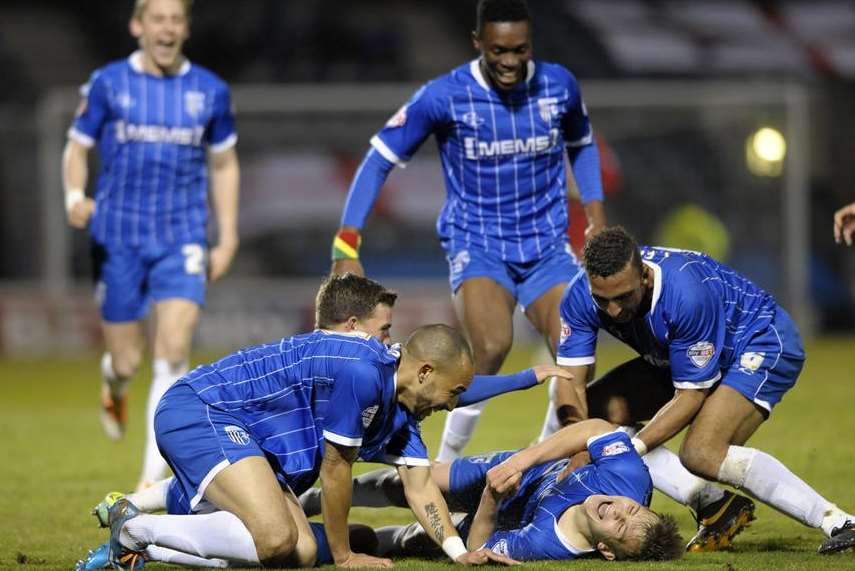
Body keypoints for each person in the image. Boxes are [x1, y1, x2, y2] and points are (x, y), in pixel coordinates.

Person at [80, 273, 572, 569]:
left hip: (251, 440)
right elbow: (337, 468)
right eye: (450, 394)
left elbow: (422, 489)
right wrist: (344, 555)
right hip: (203, 407)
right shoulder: (363, 371)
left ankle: (140, 545)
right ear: (423, 373)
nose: (451, 405)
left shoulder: (405, 406)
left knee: (293, 553)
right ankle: (135, 529)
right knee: (274, 536)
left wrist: (457, 551)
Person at [328, 0, 606, 462]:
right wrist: (347, 240)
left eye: (521, 49)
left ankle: (545, 454)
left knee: (577, 354)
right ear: (478, 43)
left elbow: (582, 144)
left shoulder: (559, 86)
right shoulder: (444, 96)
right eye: (499, 50)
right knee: (492, 345)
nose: (511, 61)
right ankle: (447, 464)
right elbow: (378, 158)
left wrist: (595, 213)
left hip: (546, 246)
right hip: (478, 244)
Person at [553, 226, 855, 555]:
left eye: (623, 297)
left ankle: (839, 522)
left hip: (757, 342)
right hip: (682, 355)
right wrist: (577, 443)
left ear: (643, 277)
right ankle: (714, 505)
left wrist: (624, 449)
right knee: (597, 410)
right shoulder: (580, 294)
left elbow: (690, 397)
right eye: (603, 300)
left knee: (702, 452)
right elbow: (569, 380)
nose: (613, 311)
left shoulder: (686, 294)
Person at [62, 0, 240, 492]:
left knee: (174, 351)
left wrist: (227, 236)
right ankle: (113, 383)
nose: (167, 28)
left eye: (175, 20)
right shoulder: (107, 83)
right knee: (127, 361)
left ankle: (148, 481)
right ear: (138, 26)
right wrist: (75, 195)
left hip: (182, 235)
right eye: (157, 19)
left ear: (185, 29)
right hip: (116, 236)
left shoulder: (210, 90)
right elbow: (77, 147)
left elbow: (224, 165)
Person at [301, 419, 684, 562]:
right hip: (523, 472)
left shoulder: (545, 547)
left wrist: (490, 499)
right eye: (631, 509)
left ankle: (365, 542)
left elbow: (476, 552)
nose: (617, 510)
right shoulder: (630, 479)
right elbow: (594, 428)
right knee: (412, 483)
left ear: (604, 550)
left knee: (419, 540)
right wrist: (523, 462)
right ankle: (311, 500)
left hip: (499, 506)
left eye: (619, 526)